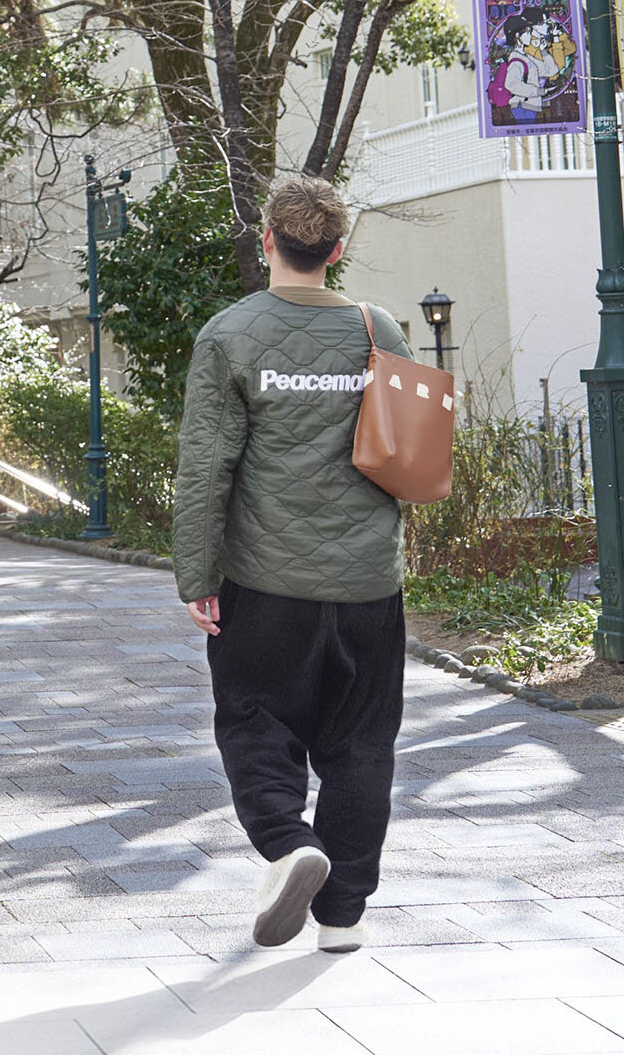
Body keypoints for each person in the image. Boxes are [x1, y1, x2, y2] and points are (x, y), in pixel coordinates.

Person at [171, 175, 414, 957]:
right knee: (361, 744)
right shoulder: (380, 331)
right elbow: (415, 454)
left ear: (268, 240)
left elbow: (207, 467)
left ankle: (287, 843)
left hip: (264, 582)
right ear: (336, 250)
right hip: (369, 586)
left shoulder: (230, 335)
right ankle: (342, 916)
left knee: (253, 721)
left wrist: (198, 576)